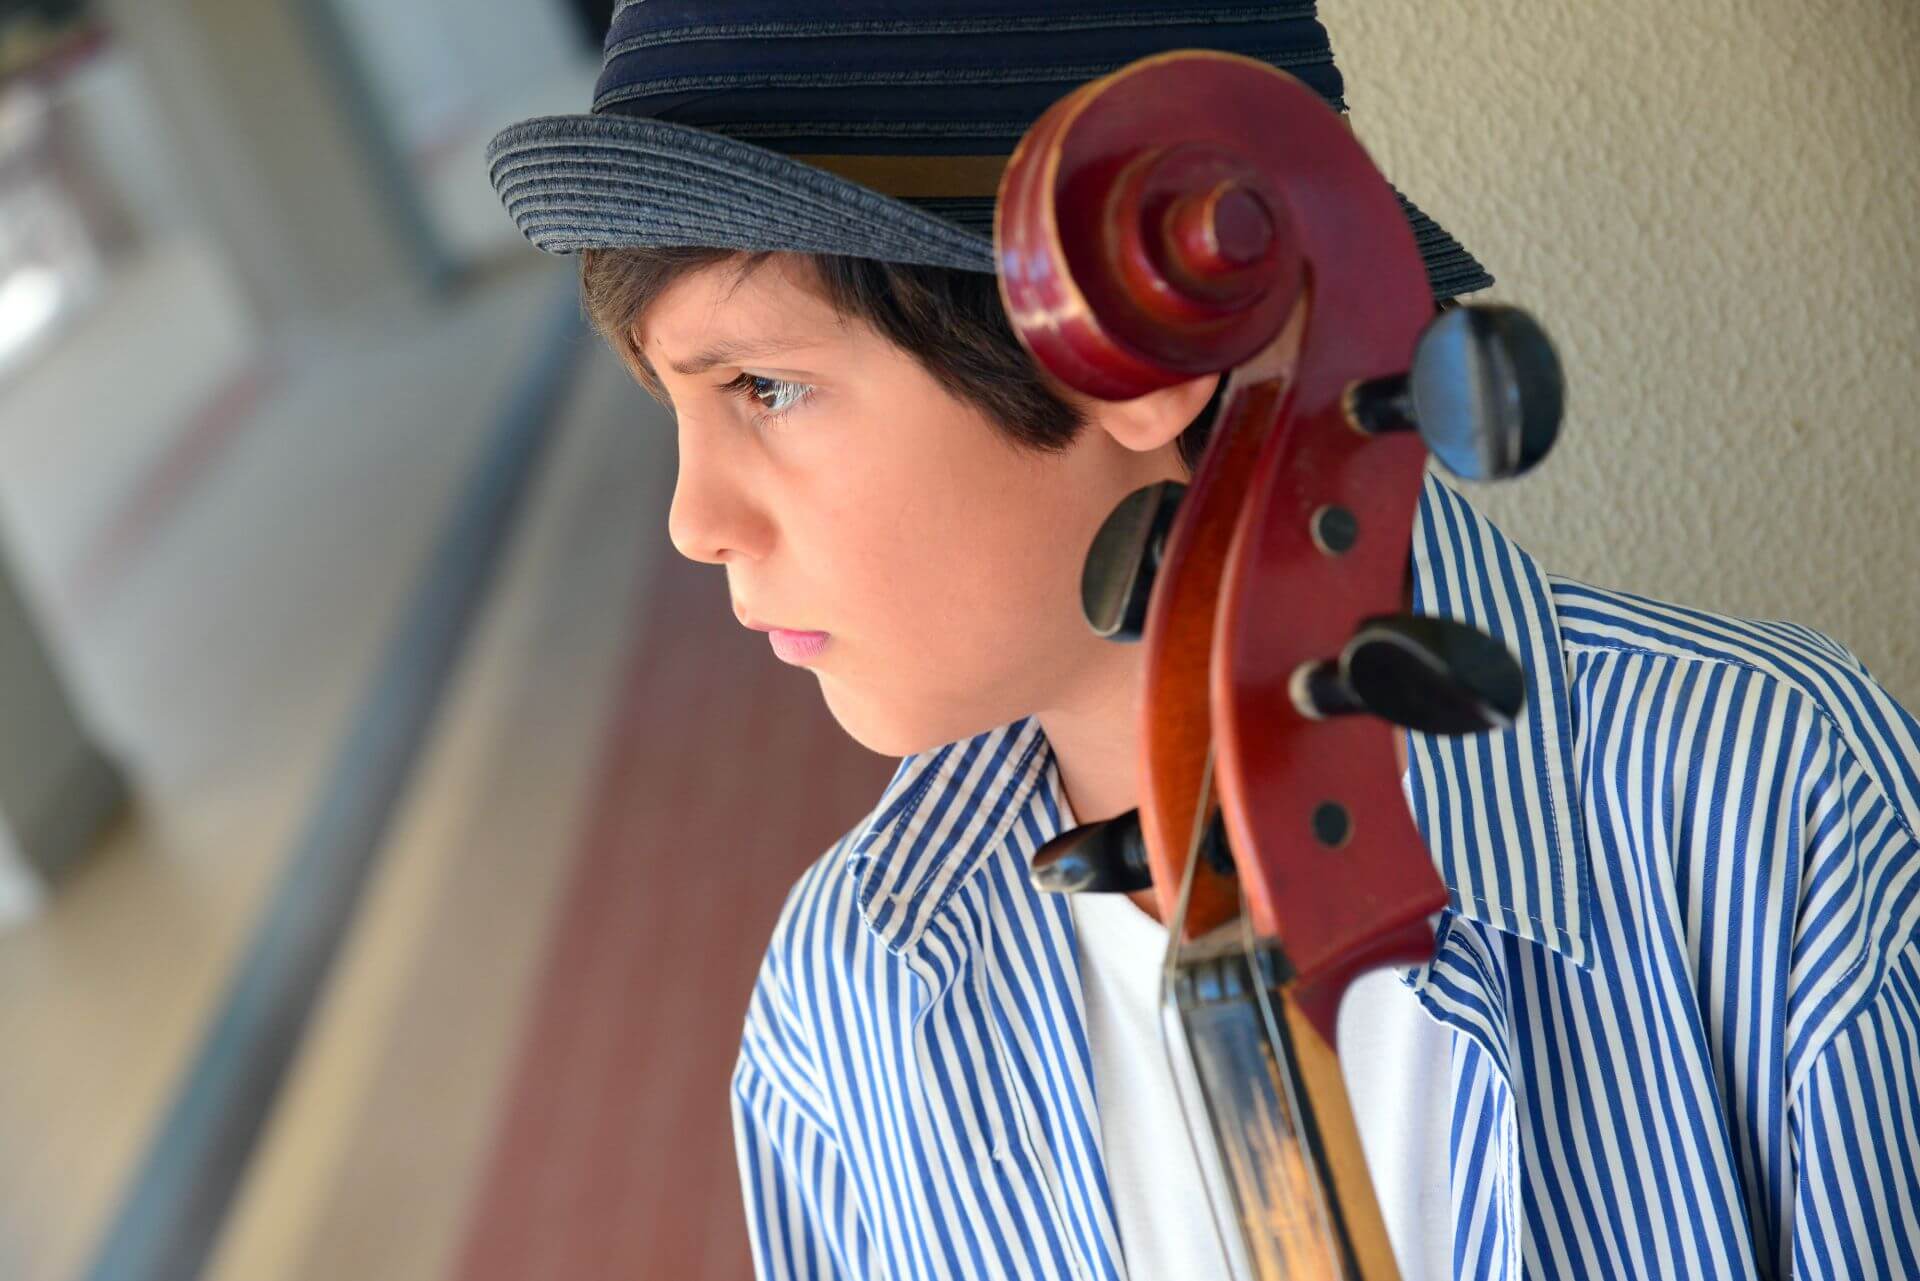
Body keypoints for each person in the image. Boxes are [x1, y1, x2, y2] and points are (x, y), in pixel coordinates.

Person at [488, 4, 1920, 1278]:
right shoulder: (844, 1014)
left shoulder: (1772, 811)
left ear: (1140, 353)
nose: (693, 519)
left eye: (764, 388)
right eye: (673, 402)